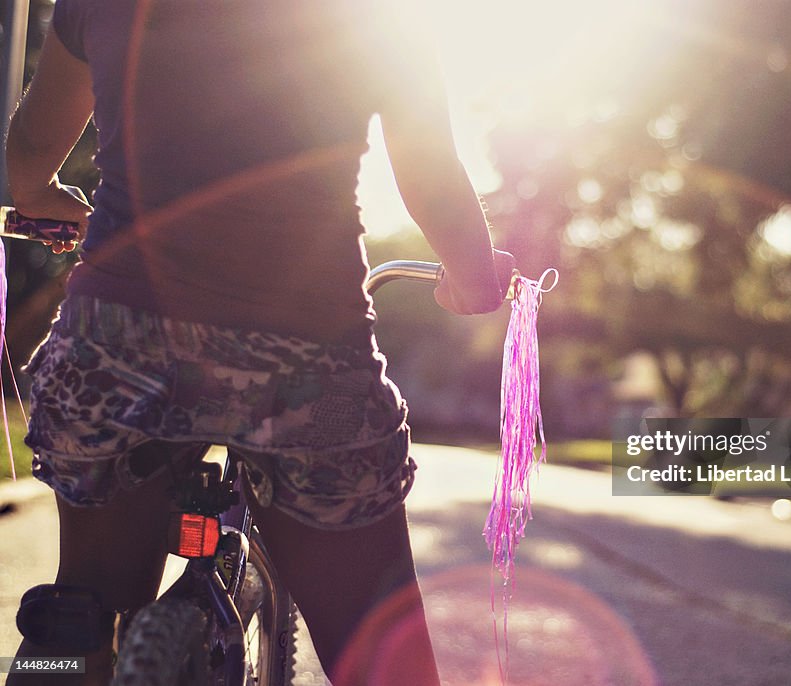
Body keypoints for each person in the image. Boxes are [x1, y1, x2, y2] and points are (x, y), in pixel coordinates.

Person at [5, 1, 514, 684]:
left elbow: (31, 156)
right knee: (381, 645)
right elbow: (428, 170)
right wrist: (474, 281)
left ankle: (61, 658)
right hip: (309, 362)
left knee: (84, 602)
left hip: (116, 347)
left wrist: (43, 195)